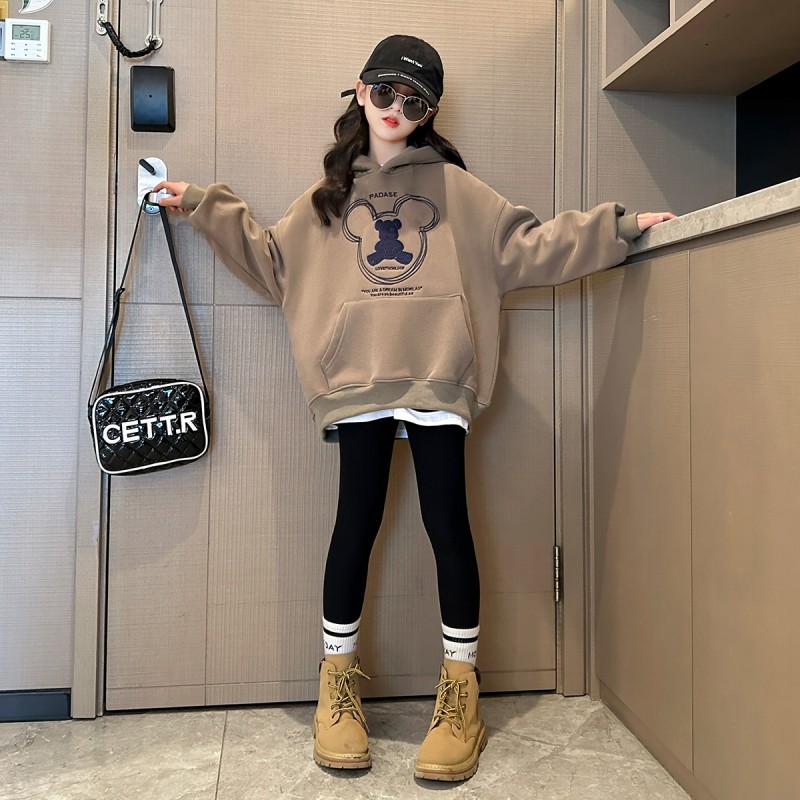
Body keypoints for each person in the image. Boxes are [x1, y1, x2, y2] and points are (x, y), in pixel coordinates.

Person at [155, 34, 675, 782]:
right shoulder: (328, 197)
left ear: (429, 112)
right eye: (385, 92)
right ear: (360, 90)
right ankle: (336, 687)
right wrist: (203, 205)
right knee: (355, 524)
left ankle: (460, 694)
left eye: (415, 100)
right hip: (356, 379)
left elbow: (531, 247)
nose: (396, 109)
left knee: (447, 525)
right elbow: (273, 261)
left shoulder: (459, 193)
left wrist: (617, 229)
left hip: (438, 375)